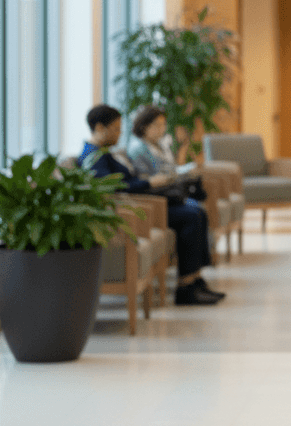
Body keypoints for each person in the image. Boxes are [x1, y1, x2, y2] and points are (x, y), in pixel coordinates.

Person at [79, 104, 225, 306]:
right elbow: (114, 189)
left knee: (196, 211)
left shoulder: (102, 152)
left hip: (140, 201)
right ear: (99, 128)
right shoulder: (93, 157)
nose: (120, 134)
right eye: (116, 129)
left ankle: (194, 280)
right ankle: (186, 288)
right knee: (191, 216)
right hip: (135, 209)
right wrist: (149, 183)